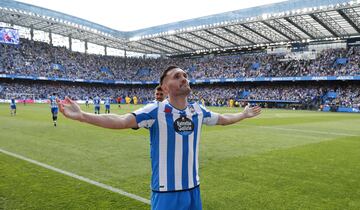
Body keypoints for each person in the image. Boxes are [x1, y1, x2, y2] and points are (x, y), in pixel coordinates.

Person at [57, 66, 261, 210]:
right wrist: (83, 115)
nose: (183, 78)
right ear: (164, 88)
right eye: (176, 76)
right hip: (166, 193)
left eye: (185, 75)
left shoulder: (197, 110)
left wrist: (243, 114)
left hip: (193, 189)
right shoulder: (155, 110)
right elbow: (120, 120)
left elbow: (223, 118)